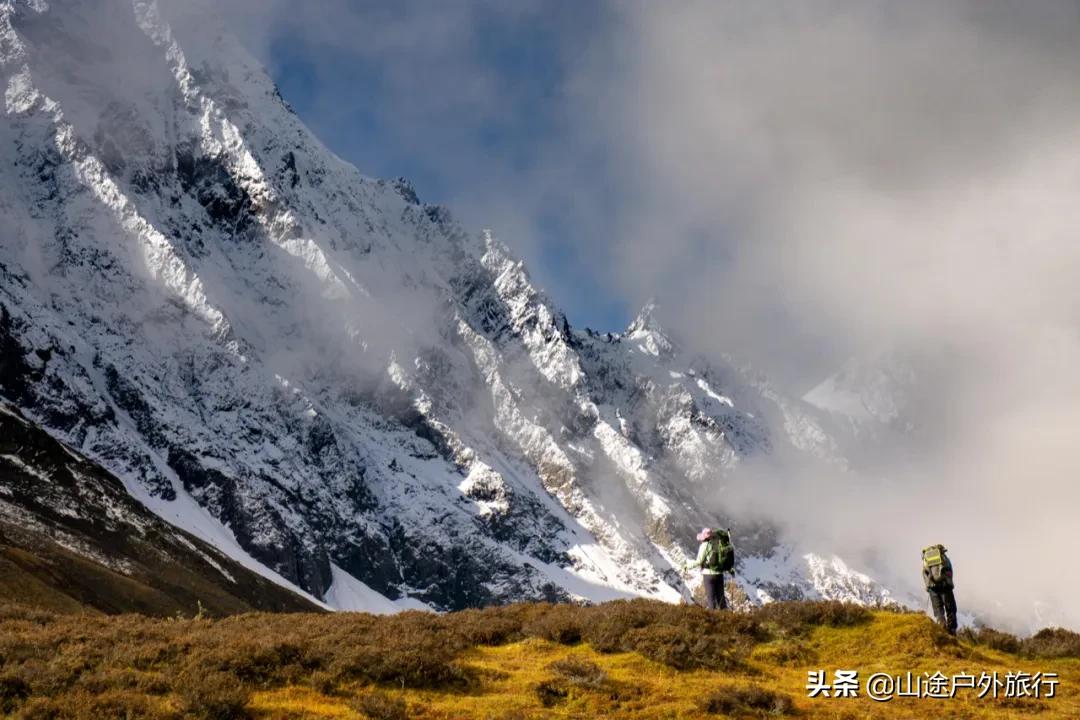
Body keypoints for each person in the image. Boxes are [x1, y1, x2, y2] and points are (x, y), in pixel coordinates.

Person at [686, 527, 734, 610]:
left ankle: (713, 621)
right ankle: (727, 619)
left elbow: (699, 561)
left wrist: (687, 566)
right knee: (721, 600)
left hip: (708, 575)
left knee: (711, 601)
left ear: (703, 538)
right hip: (719, 574)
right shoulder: (718, 544)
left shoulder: (704, 545)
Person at [922, 544, 957, 635]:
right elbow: (950, 571)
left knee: (938, 610)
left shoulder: (927, 560)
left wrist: (928, 587)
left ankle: (942, 629)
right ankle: (952, 631)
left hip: (933, 588)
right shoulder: (944, 559)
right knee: (950, 609)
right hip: (945, 587)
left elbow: (924, 574)